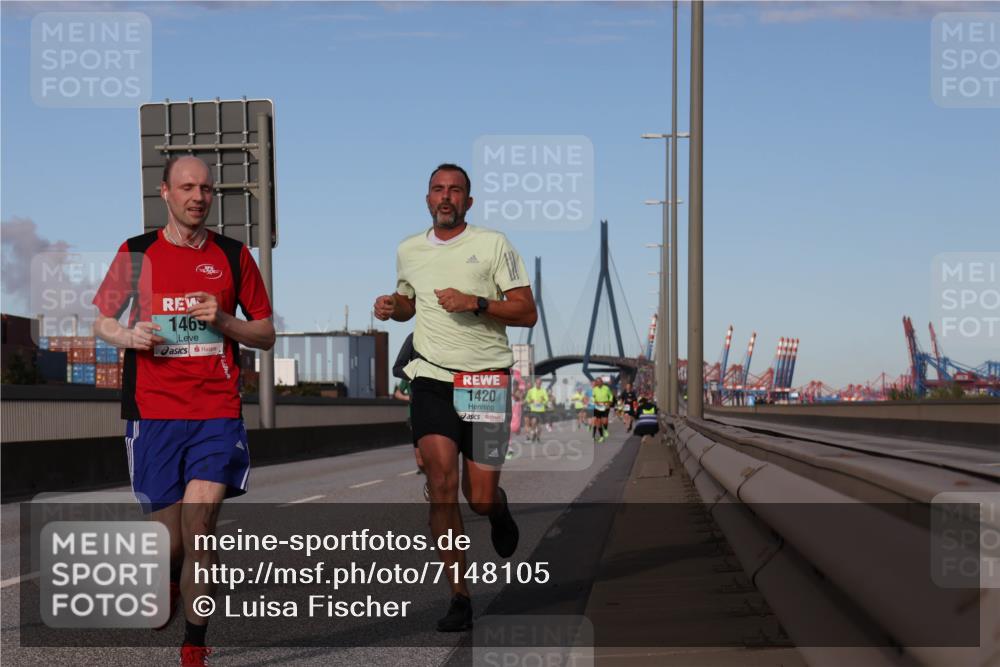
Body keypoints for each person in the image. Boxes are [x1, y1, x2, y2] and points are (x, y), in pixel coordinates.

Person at [92, 156, 275, 667]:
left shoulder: (234, 257)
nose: (198, 197)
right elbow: (102, 320)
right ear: (165, 193)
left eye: (206, 189)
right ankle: (171, 575)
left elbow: (265, 332)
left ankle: (194, 645)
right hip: (153, 415)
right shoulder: (136, 252)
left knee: (201, 526)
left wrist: (223, 320)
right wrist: (127, 336)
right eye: (187, 187)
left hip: (216, 411)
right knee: (169, 541)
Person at [373, 163, 537, 632]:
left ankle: (497, 508)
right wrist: (392, 306)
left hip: (485, 380)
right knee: (441, 485)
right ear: (427, 199)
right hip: (431, 379)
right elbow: (409, 302)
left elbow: (527, 312)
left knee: (478, 498)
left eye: (456, 191)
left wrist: (476, 302)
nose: (446, 197)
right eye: (437, 190)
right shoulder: (409, 250)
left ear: (469, 201)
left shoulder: (493, 245)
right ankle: (460, 596)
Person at [524, 377, 550, 442]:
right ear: (535, 383)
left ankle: (538, 437)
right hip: (534, 410)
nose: (538, 384)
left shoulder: (543, 391)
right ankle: (533, 432)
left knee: (539, 426)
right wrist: (531, 401)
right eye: (537, 383)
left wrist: (542, 402)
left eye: (540, 383)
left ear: (541, 384)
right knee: (533, 422)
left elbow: (547, 399)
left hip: (541, 410)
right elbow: (527, 399)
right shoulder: (531, 391)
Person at [591, 376, 614, 443]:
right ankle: (601, 436)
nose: (598, 383)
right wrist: (595, 401)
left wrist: (609, 402)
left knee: (604, 421)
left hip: (605, 405)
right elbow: (593, 397)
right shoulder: (594, 389)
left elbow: (611, 395)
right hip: (597, 406)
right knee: (598, 422)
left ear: (602, 382)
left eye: (599, 382)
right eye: (597, 382)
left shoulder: (606, 388)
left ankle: (605, 430)